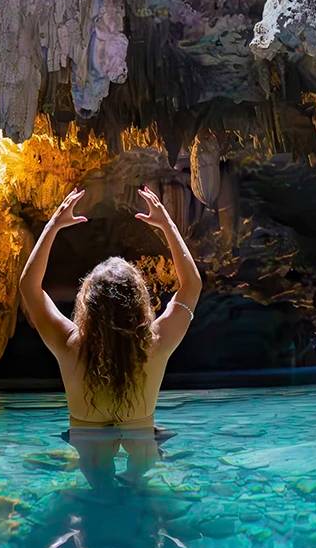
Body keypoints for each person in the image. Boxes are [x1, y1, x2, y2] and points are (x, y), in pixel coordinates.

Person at [17, 184, 202, 432]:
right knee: (147, 448)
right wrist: (168, 225)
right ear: (139, 303)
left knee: (89, 453)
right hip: (140, 436)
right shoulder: (155, 345)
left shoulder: (70, 346)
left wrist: (53, 225)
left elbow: (29, 287)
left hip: (87, 438)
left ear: (88, 304)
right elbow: (192, 285)